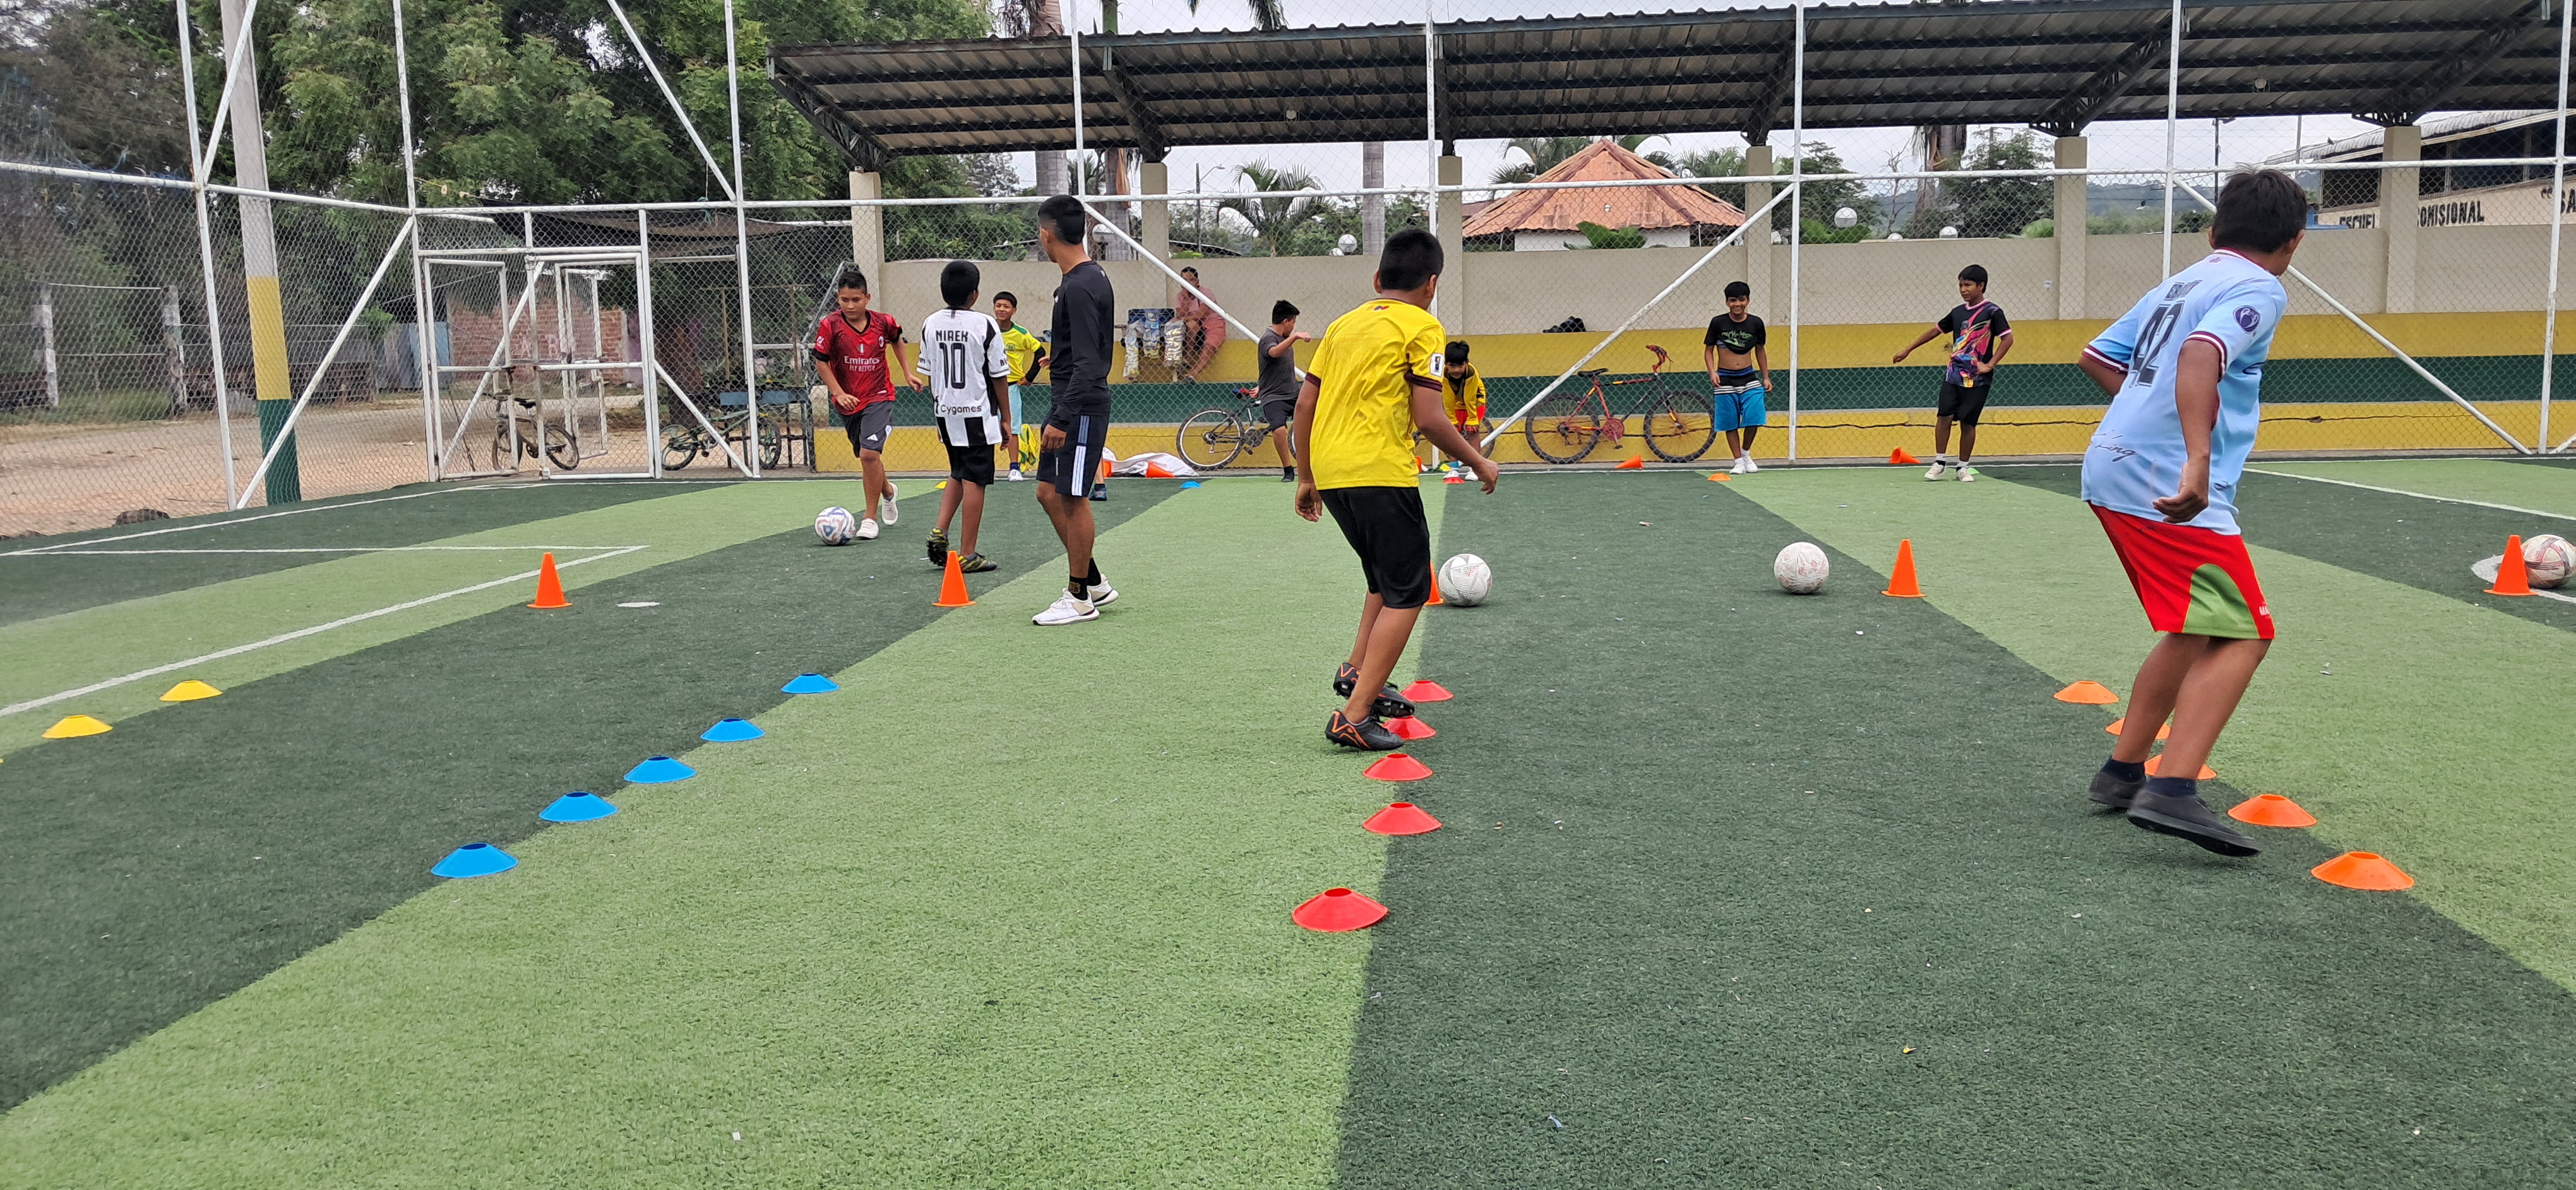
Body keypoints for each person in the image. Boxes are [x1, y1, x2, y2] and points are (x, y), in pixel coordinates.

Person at [2072, 169, 2305, 856]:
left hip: (2114, 464)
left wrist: (2143, 415)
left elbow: (2096, 357)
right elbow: (2202, 354)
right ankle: (2172, 789)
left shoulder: (2181, 282)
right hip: (2163, 481)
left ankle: (2123, 772)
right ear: (2295, 241)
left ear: (2212, 231)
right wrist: (2195, 455)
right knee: (2245, 633)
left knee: (2195, 626)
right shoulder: (2260, 287)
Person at [1294, 228, 1500, 750]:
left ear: (1377, 279)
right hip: (1380, 471)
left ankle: (1357, 671)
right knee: (1410, 590)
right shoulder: (1424, 327)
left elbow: (1305, 405)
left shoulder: (1342, 326)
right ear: (1432, 284)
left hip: (1333, 473)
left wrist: (1307, 476)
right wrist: (1478, 460)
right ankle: (1354, 715)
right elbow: (1429, 417)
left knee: (1383, 582)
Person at [1032, 195, 1119, 626]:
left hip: (1080, 408)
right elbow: (1086, 348)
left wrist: (1063, 418)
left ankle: (1079, 596)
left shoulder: (1080, 285)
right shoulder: (1081, 279)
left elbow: (1090, 364)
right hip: (1069, 399)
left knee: (1072, 496)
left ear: (1047, 235)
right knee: (1047, 492)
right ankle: (1095, 580)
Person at [919, 260, 1013, 573]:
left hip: (946, 411)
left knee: (958, 471)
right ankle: (968, 553)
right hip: (977, 413)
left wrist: (939, 411)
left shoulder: (930, 323)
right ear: (975, 293)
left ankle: (940, 529)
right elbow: (999, 376)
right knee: (976, 480)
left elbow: (931, 374)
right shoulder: (985, 325)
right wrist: (1006, 418)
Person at [814, 265, 913, 538]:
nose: (850, 305)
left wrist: (907, 373)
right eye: (844, 300)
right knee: (867, 456)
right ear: (838, 298)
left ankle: (869, 519)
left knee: (870, 454)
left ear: (867, 298)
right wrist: (839, 393)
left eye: (856, 299)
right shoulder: (831, 325)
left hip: (879, 396)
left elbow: (897, 341)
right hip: (848, 402)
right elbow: (821, 363)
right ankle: (889, 491)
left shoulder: (884, 322)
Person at [1892, 264, 2012, 482]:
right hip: (1953, 375)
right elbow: (1935, 331)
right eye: (1961, 285)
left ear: (1981, 286)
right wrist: (1908, 349)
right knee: (1944, 416)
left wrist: (1990, 364)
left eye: (1968, 285)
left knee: (1968, 422)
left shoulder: (1992, 312)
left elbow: (2008, 339)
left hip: (1978, 378)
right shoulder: (1957, 312)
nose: (1963, 290)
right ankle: (1939, 462)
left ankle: (1963, 467)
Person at [1703, 280, 1772, 475]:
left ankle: (1746, 454)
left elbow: (1760, 350)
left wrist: (1766, 377)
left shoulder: (1756, 323)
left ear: (1748, 301)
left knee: (1754, 416)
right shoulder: (1718, 322)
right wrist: (1712, 372)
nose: (1737, 304)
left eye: (1741, 300)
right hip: (1724, 379)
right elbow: (1708, 351)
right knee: (1729, 421)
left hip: (1749, 377)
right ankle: (1738, 461)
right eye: (1733, 300)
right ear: (1727, 302)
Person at [994, 291, 1047, 483]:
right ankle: (985, 467)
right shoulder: (987, 329)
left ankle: (1014, 468)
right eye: (998, 306)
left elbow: (1040, 351)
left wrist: (1029, 377)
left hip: (1010, 387)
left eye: (1006, 306)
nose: (1002, 309)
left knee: (1013, 427)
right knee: (984, 428)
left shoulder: (1021, 333)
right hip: (987, 387)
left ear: (1014, 311)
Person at [1255, 301, 1311, 482]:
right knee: (1279, 429)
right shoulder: (1268, 338)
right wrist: (1294, 338)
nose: (1294, 326)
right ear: (1286, 321)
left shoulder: (1283, 338)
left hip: (1293, 392)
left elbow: (1272, 368)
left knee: (1314, 420)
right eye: (1294, 322)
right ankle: (1288, 470)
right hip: (1274, 397)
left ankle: (1313, 464)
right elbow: (1273, 353)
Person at [1174, 267, 1225, 382]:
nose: (1187, 283)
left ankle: (1192, 374)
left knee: (1208, 347)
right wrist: (1187, 299)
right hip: (1194, 330)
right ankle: (1189, 356)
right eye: (1184, 280)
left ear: (1197, 282)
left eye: (1191, 280)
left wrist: (1183, 318)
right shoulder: (1180, 296)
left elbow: (1200, 315)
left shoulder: (1206, 292)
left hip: (1213, 323)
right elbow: (1180, 315)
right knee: (1191, 324)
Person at [1440, 341, 1488, 440]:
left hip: (1475, 400)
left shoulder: (1471, 373)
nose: (1456, 370)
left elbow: (1470, 398)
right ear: (1446, 364)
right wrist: (1452, 419)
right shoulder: (1444, 374)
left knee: (1472, 431)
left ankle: (1474, 451)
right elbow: (1448, 398)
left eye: (1460, 366)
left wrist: (1472, 419)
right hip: (1457, 402)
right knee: (1454, 434)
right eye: (1452, 366)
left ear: (1467, 363)